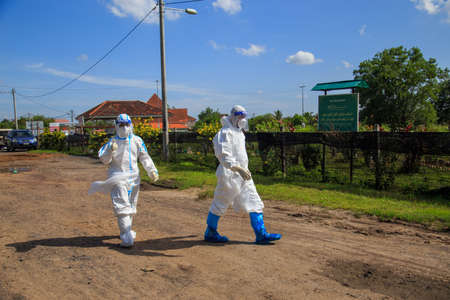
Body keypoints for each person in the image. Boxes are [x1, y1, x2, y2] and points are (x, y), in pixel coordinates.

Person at [204, 105, 282, 244]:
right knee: (220, 202)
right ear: (233, 116)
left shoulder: (239, 133)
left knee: (254, 201)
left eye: (244, 116)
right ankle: (210, 232)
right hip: (229, 175)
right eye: (240, 116)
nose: (242, 119)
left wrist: (242, 169)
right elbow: (223, 154)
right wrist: (235, 167)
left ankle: (261, 234)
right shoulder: (225, 133)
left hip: (244, 175)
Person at [89, 113, 159, 248]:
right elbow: (104, 160)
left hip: (134, 178)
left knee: (131, 205)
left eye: (127, 125)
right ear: (116, 126)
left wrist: (152, 171)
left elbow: (144, 157)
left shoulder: (137, 141)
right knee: (121, 206)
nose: (124, 128)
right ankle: (126, 236)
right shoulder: (112, 142)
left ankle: (126, 231)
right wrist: (110, 150)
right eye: (121, 125)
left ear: (131, 125)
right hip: (117, 177)